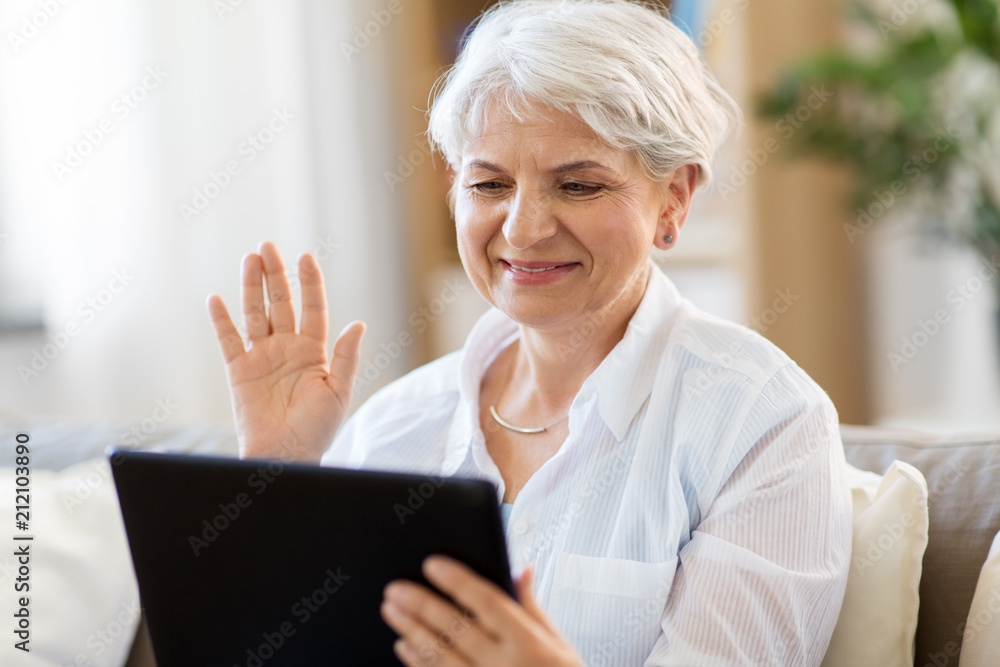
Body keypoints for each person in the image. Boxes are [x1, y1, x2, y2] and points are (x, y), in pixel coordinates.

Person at [207, 0, 852, 664]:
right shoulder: (394, 428)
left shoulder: (766, 423)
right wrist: (273, 481)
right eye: (489, 184)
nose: (522, 228)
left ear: (675, 198)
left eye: (577, 186)